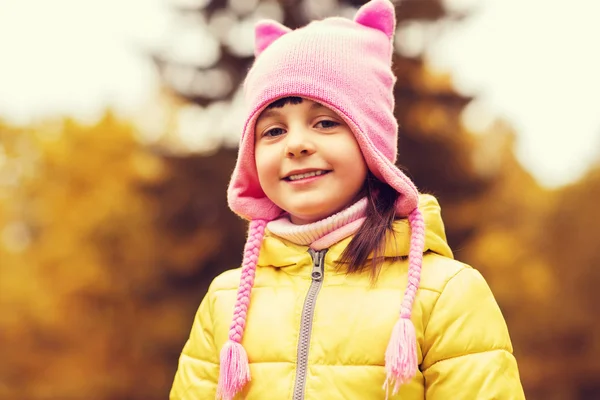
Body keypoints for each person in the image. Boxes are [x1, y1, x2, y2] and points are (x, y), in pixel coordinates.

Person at [169, 0, 525, 398]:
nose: (297, 144)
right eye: (272, 131)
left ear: (370, 141)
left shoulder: (445, 292)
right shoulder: (227, 299)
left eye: (325, 122)